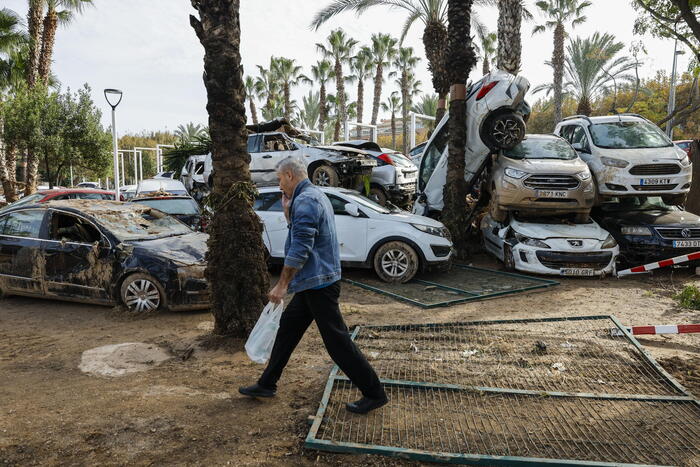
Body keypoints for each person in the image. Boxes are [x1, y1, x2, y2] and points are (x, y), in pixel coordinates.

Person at [239, 157, 388, 414]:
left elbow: (301, 247)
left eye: (279, 180)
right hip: (314, 281)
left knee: (337, 341)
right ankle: (267, 383)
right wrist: (288, 214)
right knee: (287, 331)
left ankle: (374, 393)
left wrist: (282, 285)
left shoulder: (306, 200)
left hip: (319, 284)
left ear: (289, 175)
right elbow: (302, 233)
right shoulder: (312, 195)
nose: (279, 186)